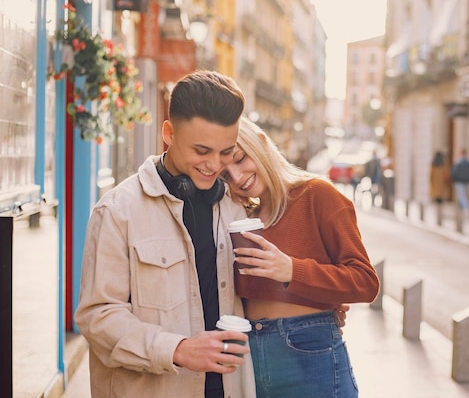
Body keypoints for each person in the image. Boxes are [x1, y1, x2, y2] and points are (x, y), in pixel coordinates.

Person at [74, 70, 256, 398]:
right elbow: (98, 317)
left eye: (226, 151)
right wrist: (177, 349)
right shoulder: (118, 211)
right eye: (201, 150)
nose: (214, 165)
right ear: (169, 134)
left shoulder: (236, 208)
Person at [219, 117, 380, 398]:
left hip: (309, 352)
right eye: (225, 175)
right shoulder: (240, 218)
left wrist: (293, 270)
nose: (237, 177)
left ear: (262, 142)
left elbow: (366, 282)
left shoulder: (318, 194)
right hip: (249, 357)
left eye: (240, 159)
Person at [451, 148, 469, 213]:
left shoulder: (458, 162)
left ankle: (466, 207)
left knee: (461, 195)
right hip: (465, 181)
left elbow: (454, 172)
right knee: (463, 194)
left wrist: (454, 179)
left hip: (459, 181)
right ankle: (461, 208)